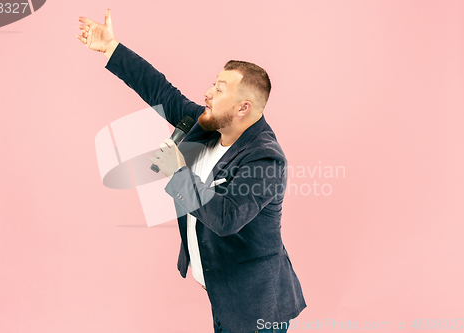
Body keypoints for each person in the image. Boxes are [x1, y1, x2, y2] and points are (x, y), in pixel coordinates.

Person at [77, 9, 306, 333]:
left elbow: (227, 217)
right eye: (213, 84)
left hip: (256, 310)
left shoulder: (265, 160)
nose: (208, 93)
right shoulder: (211, 125)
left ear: (244, 107)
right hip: (222, 292)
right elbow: (162, 92)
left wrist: (178, 172)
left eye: (220, 89)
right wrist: (111, 47)